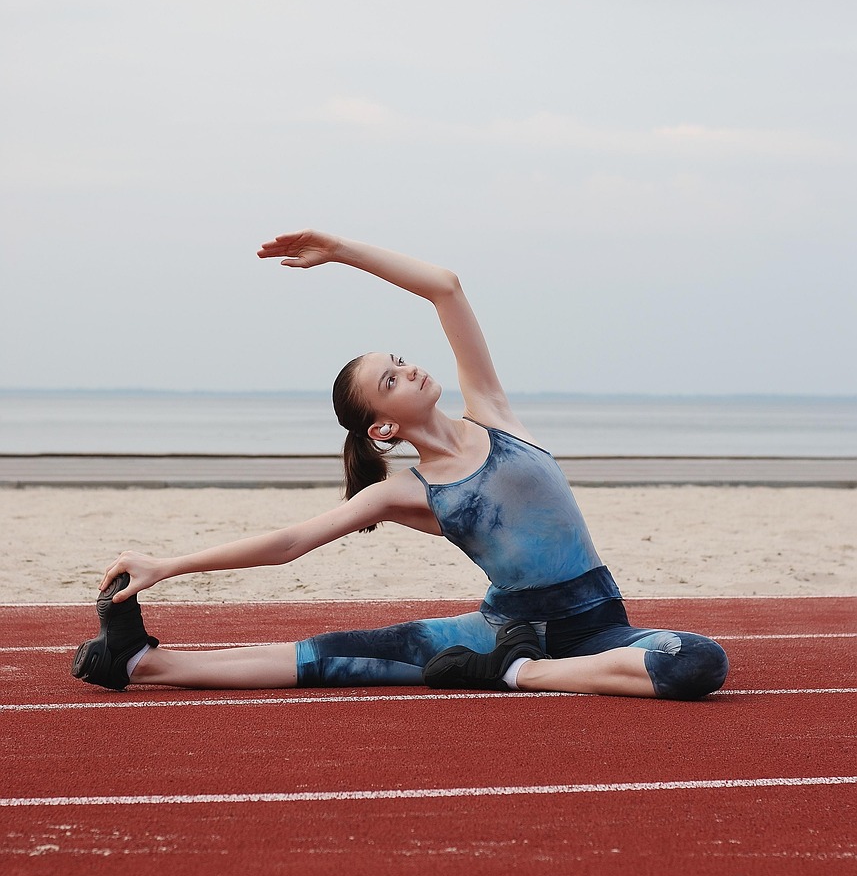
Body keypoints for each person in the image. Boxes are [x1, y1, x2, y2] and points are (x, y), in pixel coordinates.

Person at [72, 230, 729, 700]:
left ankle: (515, 675)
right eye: (391, 379)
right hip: (500, 631)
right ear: (383, 426)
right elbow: (289, 543)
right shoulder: (405, 490)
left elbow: (444, 288)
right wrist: (168, 566)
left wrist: (342, 252)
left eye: (399, 358)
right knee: (326, 660)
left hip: (593, 631)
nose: (409, 367)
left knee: (695, 662)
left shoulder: (493, 414)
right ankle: (141, 664)